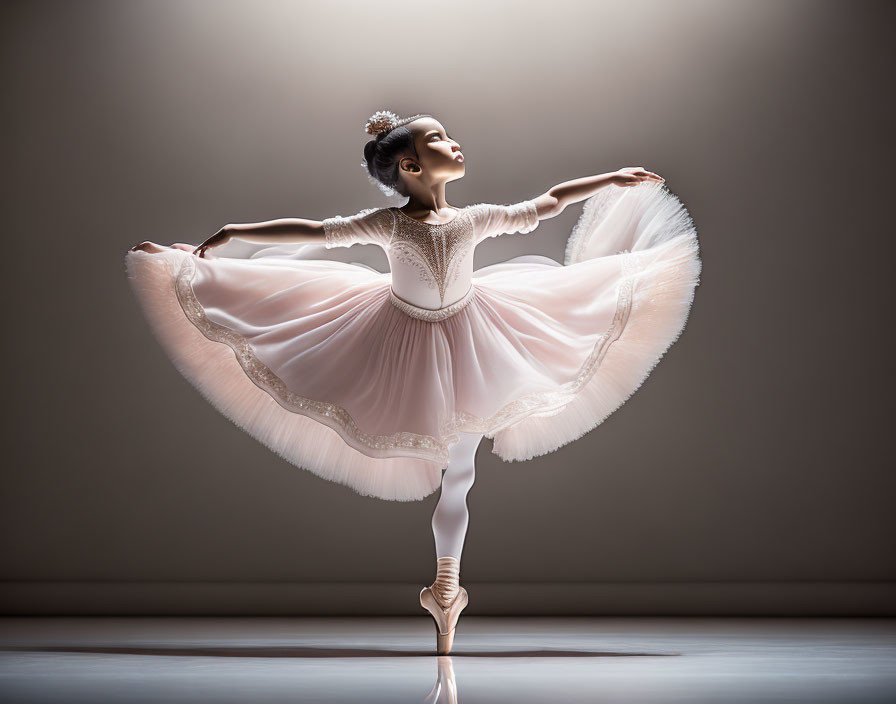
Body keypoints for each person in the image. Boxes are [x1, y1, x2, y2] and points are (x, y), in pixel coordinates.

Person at [126, 110, 702, 654]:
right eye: (438, 141)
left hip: (477, 336)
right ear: (410, 167)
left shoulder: (474, 218)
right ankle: (444, 588)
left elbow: (546, 204)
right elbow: (317, 232)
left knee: (462, 472)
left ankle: (445, 587)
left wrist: (609, 179)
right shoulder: (387, 224)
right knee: (450, 463)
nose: (454, 144)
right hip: (398, 337)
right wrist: (231, 233)